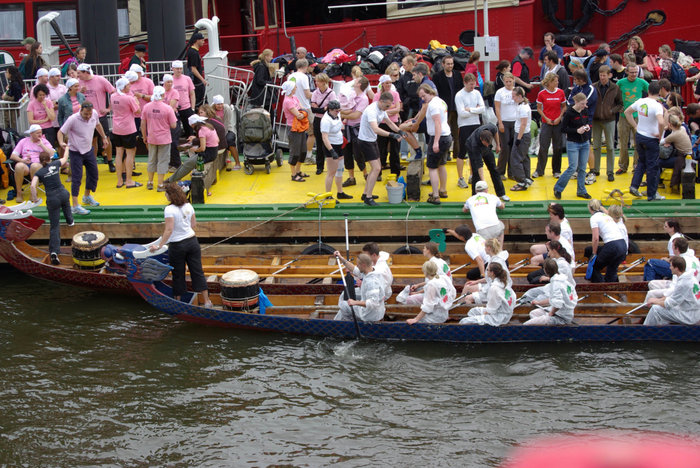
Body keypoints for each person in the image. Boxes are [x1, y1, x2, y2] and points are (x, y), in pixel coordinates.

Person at [149, 183, 212, 307]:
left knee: (178, 274)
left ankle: (177, 301)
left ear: (170, 195)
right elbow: (193, 224)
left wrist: (160, 246)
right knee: (198, 272)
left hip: (178, 246)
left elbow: (169, 230)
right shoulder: (188, 205)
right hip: (192, 242)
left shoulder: (169, 209)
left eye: (166, 193)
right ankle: (207, 301)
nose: (165, 195)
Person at [57, 101, 108, 215]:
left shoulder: (94, 114)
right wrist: (61, 142)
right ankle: (75, 205)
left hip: (88, 149)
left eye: (89, 114)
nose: (88, 116)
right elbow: (61, 132)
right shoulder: (73, 119)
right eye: (85, 114)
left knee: (94, 174)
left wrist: (104, 137)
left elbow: (98, 124)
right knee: (77, 178)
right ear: (81, 111)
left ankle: (87, 196)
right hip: (75, 151)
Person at [357, 92, 403, 206]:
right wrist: (392, 135)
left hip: (372, 140)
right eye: (387, 106)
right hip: (365, 141)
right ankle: (368, 197)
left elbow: (389, 122)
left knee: (376, 168)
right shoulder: (371, 110)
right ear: (381, 101)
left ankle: (365, 193)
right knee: (376, 169)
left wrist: (399, 131)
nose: (388, 108)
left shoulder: (382, 110)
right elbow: (376, 129)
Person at [29, 149, 73, 265]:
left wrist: (35, 198)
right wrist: (67, 147)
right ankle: (70, 220)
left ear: (40, 161)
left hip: (52, 199)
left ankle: (54, 252)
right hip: (62, 193)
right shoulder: (56, 164)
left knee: (54, 226)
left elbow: (33, 186)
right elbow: (65, 158)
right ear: (50, 158)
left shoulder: (39, 172)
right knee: (66, 202)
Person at [625, 81, 665, 201]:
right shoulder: (657, 105)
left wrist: (635, 126)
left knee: (642, 161)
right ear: (659, 92)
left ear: (648, 91)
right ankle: (652, 194)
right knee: (652, 166)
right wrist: (660, 134)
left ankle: (634, 185)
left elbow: (627, 112)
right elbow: (662, 122)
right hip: (651, 138)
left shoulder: (641, 101)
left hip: (640, 135)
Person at [77, 63, 115, 172]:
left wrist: (108, 108)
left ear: (86, 72)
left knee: (106, 139)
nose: (78, 75)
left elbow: (113, 92)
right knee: (91, 141)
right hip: (86, 117)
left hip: (100, 115)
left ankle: (109, 161)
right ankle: (92, 164)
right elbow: (73, 96)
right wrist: (80, 92)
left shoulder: (100, 80)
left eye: (79, 73)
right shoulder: (78, 83)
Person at [553, 93, 591, 199]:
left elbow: (588, 121)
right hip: (573, 143)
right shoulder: (569, 113)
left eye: (585, 103)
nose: (585, 106)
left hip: (584, 142)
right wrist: (576, 131)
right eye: (583, 104)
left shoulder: (584, 111)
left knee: (582, 168)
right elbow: (563, 129)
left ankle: (581, 190)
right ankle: (558, 188)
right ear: (577, 102)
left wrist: (587, 127)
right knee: (572, 167)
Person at [643, 256, 700, 326]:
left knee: (656, 309)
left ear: (676, 268)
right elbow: (673, 297)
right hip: (691, 310)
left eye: (671, 266)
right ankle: (658, 330)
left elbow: (669, 304)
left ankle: (644, 331)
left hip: (689, 315)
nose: (670, 268)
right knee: (659, 307)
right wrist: (658, 300)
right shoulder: (690, 278)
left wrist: (655, 301)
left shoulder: (683, 283)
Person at [419, 84, 451, 205]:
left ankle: (435, 195)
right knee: (441, 164)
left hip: (439, 137)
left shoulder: (433, 105)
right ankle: (442, 189)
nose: (423, 99)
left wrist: (436, 142)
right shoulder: (441, 101)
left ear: (430, 92)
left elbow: (437, 123)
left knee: (432, 167)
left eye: (424, 95)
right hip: (446, 135)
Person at [141, 86, 178, 191]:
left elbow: (143, 123)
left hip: (151, 137)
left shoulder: (147, 107)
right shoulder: (167, 108)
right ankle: (160, 184)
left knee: (151, 159)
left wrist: (144, 136)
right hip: (164, 138)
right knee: (163, 160)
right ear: (163, 95)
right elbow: (174, 125)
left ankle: (150, 181)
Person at [590, 66, 623, 182]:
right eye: (601, 75)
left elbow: (620, 104)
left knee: (610, 146)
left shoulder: (615, 88)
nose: (602, 78)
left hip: (609, 120)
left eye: (604, 75)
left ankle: (610, 171)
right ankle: (596, 169)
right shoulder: (593, 87)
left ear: (609, 75)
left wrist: (611, 111)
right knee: (596, 146)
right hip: (596, 120)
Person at [616, 64, 649, 174]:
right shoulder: (620, 83)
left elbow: (652, 92)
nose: (634, 74)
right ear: (627, 72)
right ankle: (623, 165)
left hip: (638, 117)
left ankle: (637, 165)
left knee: (638, 143)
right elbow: (614, 95)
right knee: (623, 143)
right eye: (631, 72)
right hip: (624, 117)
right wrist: (618, 107)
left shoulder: (642, 82)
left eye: (635, 72)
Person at [334, 253, 386, 322]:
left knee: (343, 305)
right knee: (344, 300)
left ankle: (350, 325)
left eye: (358, 264)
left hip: (370, 315)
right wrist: (341, 258)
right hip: (376, 311)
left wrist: (355, 302)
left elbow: (373, 303)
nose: (357, 266)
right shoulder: (371, 270)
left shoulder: (372, 281)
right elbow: (354, 269)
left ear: (363, 265)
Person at [523, 258, 577, 325]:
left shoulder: (556, 283)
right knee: (533, 313)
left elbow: (558, 304)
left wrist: (551, 313)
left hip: (561, 317)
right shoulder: (563, 280)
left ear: (545, 270)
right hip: (559, 312)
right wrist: (538, 302)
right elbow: (552, 299)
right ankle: (543, 332)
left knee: (526, 325)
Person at [454, 73, 485, 188]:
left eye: (474, 84)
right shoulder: (459, 95)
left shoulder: (476, 93)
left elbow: (482, 109)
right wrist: (475, 110)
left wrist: (470, 109)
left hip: (475, 124)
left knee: (475, 150)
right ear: (465, 83)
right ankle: (460, 178)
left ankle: (473, 175)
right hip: (464, 125)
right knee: (462, 152)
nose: (473, 87)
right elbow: (461, 113)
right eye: (471, 85)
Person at [534, 73, 567, 179]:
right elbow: (539, 108)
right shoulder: (542, 94)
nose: (557, 83)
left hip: (557, 123)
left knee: (557, 147)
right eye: (556, 81)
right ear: (550, 82)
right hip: (546, 123)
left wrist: (559, 117)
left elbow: (564, 107)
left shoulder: (561, 92)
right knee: (543, 147)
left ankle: (556, 170)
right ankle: (539, 170)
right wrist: (546, 118)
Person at [9, 125, 54, 203]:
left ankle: (33, 193)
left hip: (39, 164)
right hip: (26, 163)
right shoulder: (23, 141)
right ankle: (19, 193)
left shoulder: (44, 141)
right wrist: (22, 160)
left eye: (41, 132)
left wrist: (42, 145)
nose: (40, 134)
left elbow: (52, 154)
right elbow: (13, 156)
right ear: (31, 134)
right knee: (19, 166)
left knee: (34, 166)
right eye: (37, 133)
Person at [646, 237, 699, 302]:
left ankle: (646, 309)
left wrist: (662, 299)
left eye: (672, 247)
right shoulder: (695, 259)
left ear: (677, 249)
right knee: (652, 284)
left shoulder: (680, 262)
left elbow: (675, 288)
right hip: (689, 285)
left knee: (651, 294)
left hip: (682, 289)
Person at [111, 77, 141, 189]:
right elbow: (137, 111)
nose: (130, 86)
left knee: (119, 153)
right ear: (124, 87)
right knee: (130, 153)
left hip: (116, 128)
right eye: (128, 85)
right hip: (128, 128)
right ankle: (129, 180)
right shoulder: (129, 98)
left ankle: (119, 180)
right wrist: (137, 101)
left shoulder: (113, 96)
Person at [339, 76, 370, 186]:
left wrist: (342, 114)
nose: (354, 81)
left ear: (359, 84)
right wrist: (345, 113)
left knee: (358, 153)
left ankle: (366, 174)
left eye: (356, 80)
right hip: (347, 127)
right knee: (347, 152)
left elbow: (356, 115)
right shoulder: (351, 94)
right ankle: (351, 177)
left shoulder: (363, 98)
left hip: (357, 128)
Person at [587, 199, 627, 283]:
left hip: (613, 245)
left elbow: (595, 238)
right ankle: (609, 288)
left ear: (590, 208)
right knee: (611, 270)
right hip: (623, 245)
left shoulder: (594, 218)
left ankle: (600, 289)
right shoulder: (607, 216)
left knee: (594, 266)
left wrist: (594, 254)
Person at [464, 124, 508, 200]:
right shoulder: (475, 144)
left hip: (487, 151)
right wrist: (483, 181)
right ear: (481, 139)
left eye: (489, 143)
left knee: (494, 170)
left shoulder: (491, 127)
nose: (487, 145)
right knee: (476, 173)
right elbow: (479, 164)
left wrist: (498, 145)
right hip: (471, 148)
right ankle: (475, 196)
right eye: (486, 143)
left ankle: (501, 193)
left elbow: (496, 132)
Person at [461, 238, 511, 303]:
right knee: (467, 286)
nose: (484, 249)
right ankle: (458, 307)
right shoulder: (492, 259)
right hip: (489, 286)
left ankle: (461, 309)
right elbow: (489, 278)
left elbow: (496, 281)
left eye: (485, 247)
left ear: (489, 248)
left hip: (495, 290)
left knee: (468, 297)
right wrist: (476, 282)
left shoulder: (496, 262)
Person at [320, 100, 351, 200]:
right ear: (330, 110)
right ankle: (328, 195)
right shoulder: (325, 121)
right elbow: (324, 137)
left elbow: (340, 125)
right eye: (336, 111)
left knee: (340, 170)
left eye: (339, 110)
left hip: (339, 143)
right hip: (331, 145)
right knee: (331, 173)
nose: (338, 112)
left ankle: (340, 192)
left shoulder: (337, 115)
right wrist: (331, 151)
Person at [433, 55, 462, 160]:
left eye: (452, 63)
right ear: (443, 64)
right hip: (444, 109)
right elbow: (436, 93)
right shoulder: (437, 76)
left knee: (457, 133)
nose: (450, 66)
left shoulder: (457, 75)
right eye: (448, 64)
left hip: (457, 108)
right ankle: (446, 154)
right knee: (445, 132)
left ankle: (457, 153)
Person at [373, 74, 401, 177]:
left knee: (394, 149)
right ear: (382, 84)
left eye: (390, 83)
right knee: (381, 148)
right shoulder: (377, 96)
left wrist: (384, 111)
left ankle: (395, 172)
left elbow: (398, 109)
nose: (389, 85)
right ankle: (379, 171)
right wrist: (390, 109)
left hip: (393, 122)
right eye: (387, 83)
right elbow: (376, 110)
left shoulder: (395, 94)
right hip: (382, 124)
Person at [281, 80, 308, 183]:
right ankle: (293, 174)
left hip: (300, 127)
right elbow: (299, 114)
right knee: (295, 151)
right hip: (293, 128)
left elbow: (302, 110)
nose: (296, 88)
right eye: (295, 87)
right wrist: (303, 113)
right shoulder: (288, 101)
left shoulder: (294, 98)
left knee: (303, 150)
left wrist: (303, 112)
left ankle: (298, 171)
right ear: (291, 89)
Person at [463, 180, 505, 245]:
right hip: (495, 226)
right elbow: (502, 207)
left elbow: (464, 210)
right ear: (486, 189)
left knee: (487, 249)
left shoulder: (470, 199)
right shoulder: (493, 197)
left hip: (481, 230)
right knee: (501, 225)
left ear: (476, 190)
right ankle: (499, 248)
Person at [310, 73, 337, 175]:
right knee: (319, 143)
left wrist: (319, 109)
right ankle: (319, 166)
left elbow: (330, 108)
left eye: (318, 81)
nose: (316, 83)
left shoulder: (331, 93)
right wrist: (322, 109)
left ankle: (331, 165)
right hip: (317, 119)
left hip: (327, 120)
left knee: (328, 143)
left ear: (324, 82)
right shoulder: (315, 93)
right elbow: (313, 108)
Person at [289, 58, 314, 164]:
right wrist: (318, 94)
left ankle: (298, 156)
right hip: (304, 107)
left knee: (298, 133)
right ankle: (308, 156)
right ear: (306, 66)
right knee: (312, 133)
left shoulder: (291, 76)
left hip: (294, 107)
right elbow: (308, 94)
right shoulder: (304, 77)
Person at [660, 114, 692, 193]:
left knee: (657, 162)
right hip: (689, 156)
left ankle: (657, 182)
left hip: (683, 159)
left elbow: (660, 142)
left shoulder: (674, 135)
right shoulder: (682, 128)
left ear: (669, 124)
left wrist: (664, 130)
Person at [509, 86, 533, 191]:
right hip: (523, 134)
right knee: (524, 157)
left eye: (514, 96)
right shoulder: (522, 105)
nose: (512, 98)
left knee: (515, 159)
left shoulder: (523, 108)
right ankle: (527, 177)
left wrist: (518, 139)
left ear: (519, 96)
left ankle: (522, 181)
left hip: (522, 135)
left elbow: (523, 124)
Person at [494, 72, 517, 179]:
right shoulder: (499, 92)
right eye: (506, 81)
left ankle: (512, 172)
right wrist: (500, 122)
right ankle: (500, 171)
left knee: (513, 147)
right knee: (505, 147)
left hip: (515, 122)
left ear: (513, 80)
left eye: (510, 81)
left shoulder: (517, 91)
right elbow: (497, 108)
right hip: (504, 122)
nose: (508, 83)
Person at [211, 94, 241, 170]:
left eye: (221, 104)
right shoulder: (211, 109)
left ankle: (237, 162)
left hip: (228, 128)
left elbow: (227, 122)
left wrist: (222, 135)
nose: (220, 106)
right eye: (218, 104)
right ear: (214, 104)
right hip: (215, 130)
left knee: (229, 140)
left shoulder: (227, 108)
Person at [171, 60, 196, 138]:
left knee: (189, 130)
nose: (179, 70)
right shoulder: (170, 80)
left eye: (180, 68)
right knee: (175, 130)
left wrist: (192, 107)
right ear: (173, 69)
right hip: (174, 109)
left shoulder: (187, 79)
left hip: (186, 107)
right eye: (177, 68)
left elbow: (192, 94)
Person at [187, 32, 208, 108]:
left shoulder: (191, 50)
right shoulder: (194, 53)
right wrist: (203, 80)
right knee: (199, 102)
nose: (203, 42)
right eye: (202, 40)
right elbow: (193, 69)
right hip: (197, 82)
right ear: (197, 40)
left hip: (195, 81)